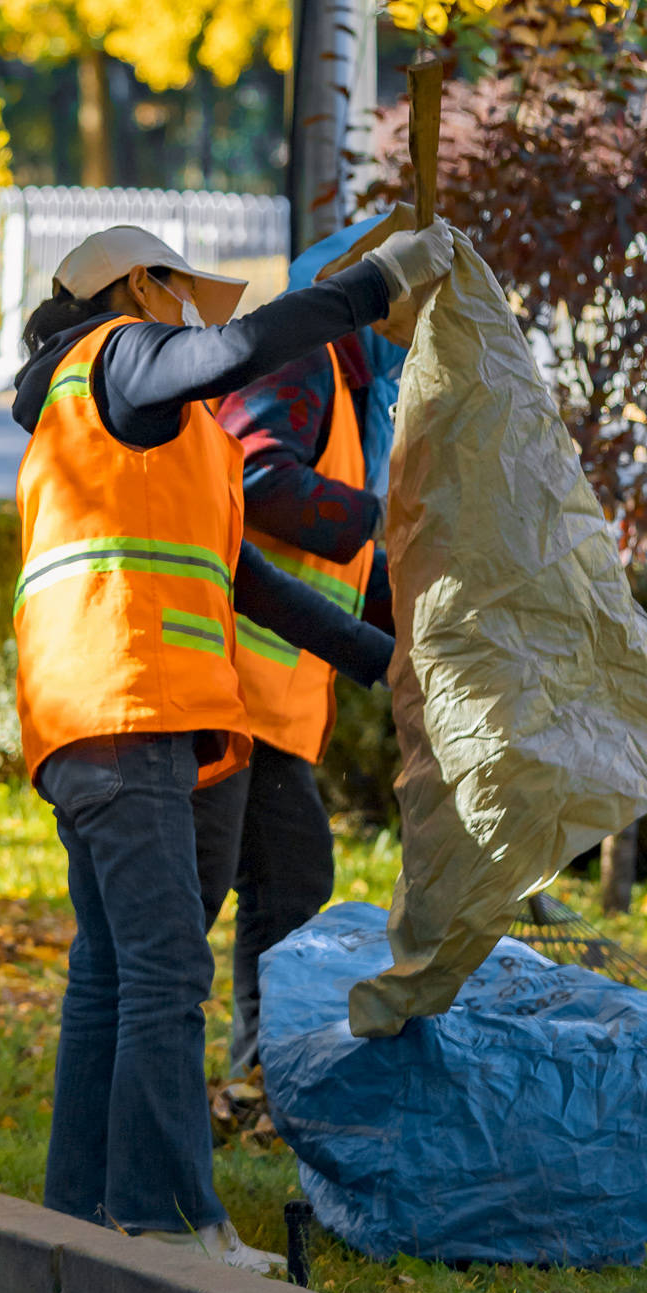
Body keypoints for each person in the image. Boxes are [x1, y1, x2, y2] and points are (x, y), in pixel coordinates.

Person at [11, 212, 454, 1268]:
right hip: (127, 704)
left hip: (98, 717)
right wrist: (372, 283)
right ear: (138, 292)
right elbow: (237, 348)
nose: (187, 320)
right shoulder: (111, 360)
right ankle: (170, 1225)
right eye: (175, 298)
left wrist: (385, 663)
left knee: (116, 972)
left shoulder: (145, 433)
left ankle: (83, 1211)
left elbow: (250, 585)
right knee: (166, 970)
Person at [193, 212, 416, 1075]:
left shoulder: (346, 392)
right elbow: (257, 481)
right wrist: (386, 517)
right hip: (231, 685)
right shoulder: (300, 362)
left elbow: (349, 558)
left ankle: (262, 1074)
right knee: (248, 895)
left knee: (286, 885)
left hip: (267, 702)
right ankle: (254, 1076)